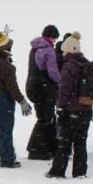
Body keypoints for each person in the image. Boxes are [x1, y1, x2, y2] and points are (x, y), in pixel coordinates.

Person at [0, 28, 33, 168]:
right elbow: (12, 86)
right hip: (1, 97)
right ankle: (7, 159)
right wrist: (22, 101)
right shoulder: (5, 64)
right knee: (4, 128)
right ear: (5, 47)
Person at [48, 32, 93, 179]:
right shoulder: (86, 63)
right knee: (81, 143)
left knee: (65, 144)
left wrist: (60, 106)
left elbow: (64, 90)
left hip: (71, 111)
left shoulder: (69, 66)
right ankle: (80, 172)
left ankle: (57, 172)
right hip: (86, 109)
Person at [24, 25, 62, 160]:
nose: (55, 41)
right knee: (46, 118)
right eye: (55, 38)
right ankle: (36, 149)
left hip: (32, 86)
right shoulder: (48, 50)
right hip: (45, 88)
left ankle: (43, 148)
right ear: (51, 36)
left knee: (43, 117)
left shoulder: (34, 48)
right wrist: (61, 82)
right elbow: (52, 72)